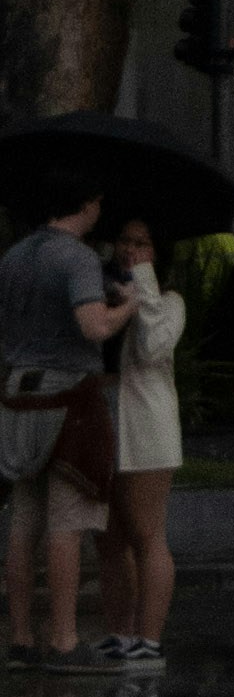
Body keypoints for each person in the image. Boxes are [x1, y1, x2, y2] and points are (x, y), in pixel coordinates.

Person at [0, 170, 136, 667]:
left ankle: (18, 639)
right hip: (68, 398)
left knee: (22, 523)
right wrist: (130, 307)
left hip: (16, 393)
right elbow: (94, 326)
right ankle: (62, 639)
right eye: (98, 200)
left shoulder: (13, 256)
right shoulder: (76, 257)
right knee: (67, 521)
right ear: (86, 202)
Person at [94, 214, 184, 675]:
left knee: (146, 533)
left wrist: (142, 286)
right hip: (103, 421)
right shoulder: (100, 290)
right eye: (126, 241)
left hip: (147, 430)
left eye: (143, 244)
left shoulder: (168, 302)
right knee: (109, 538)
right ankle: (121, 634)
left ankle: (149, 639)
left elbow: (152, 347)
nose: (131, 250)